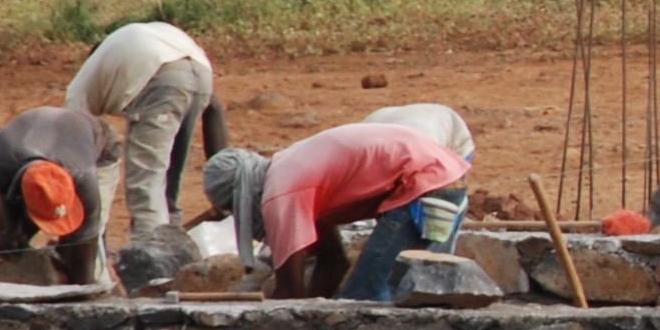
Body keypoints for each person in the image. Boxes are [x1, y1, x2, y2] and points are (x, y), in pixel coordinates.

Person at [205, 123, 473, 301]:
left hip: (424, 186)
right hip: (446, 181)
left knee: (364, 297)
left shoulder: (281, 193)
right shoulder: (290, 170)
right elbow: (333, 262)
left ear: (240, 196)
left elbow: (288, 292)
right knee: (417, 293)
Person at [62, 20, 229, 250]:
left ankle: (152, 262)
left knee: (146, 184)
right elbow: (215, 109)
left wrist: (87, 236)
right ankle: (174, 250)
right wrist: (226, 187)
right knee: (169, 182)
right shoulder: (127, 49)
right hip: (201, 72)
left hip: (160, 76)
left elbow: (79, 163)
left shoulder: (83, 85)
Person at [344, 103, 479, 301]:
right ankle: (428, 290)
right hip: (418, 129)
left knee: (432, 216)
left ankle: (427, 289)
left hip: (450, 142)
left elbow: (444, 190)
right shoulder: (364, 152)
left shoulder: (420, 154)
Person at [0, 106, 109, 287]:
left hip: (95, 140)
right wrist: (12, 229)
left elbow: (87, 236)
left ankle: (102, 279)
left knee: (81, 254)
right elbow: (6, 192)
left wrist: (81, 291)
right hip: (22, 149)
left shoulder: (84, 180)